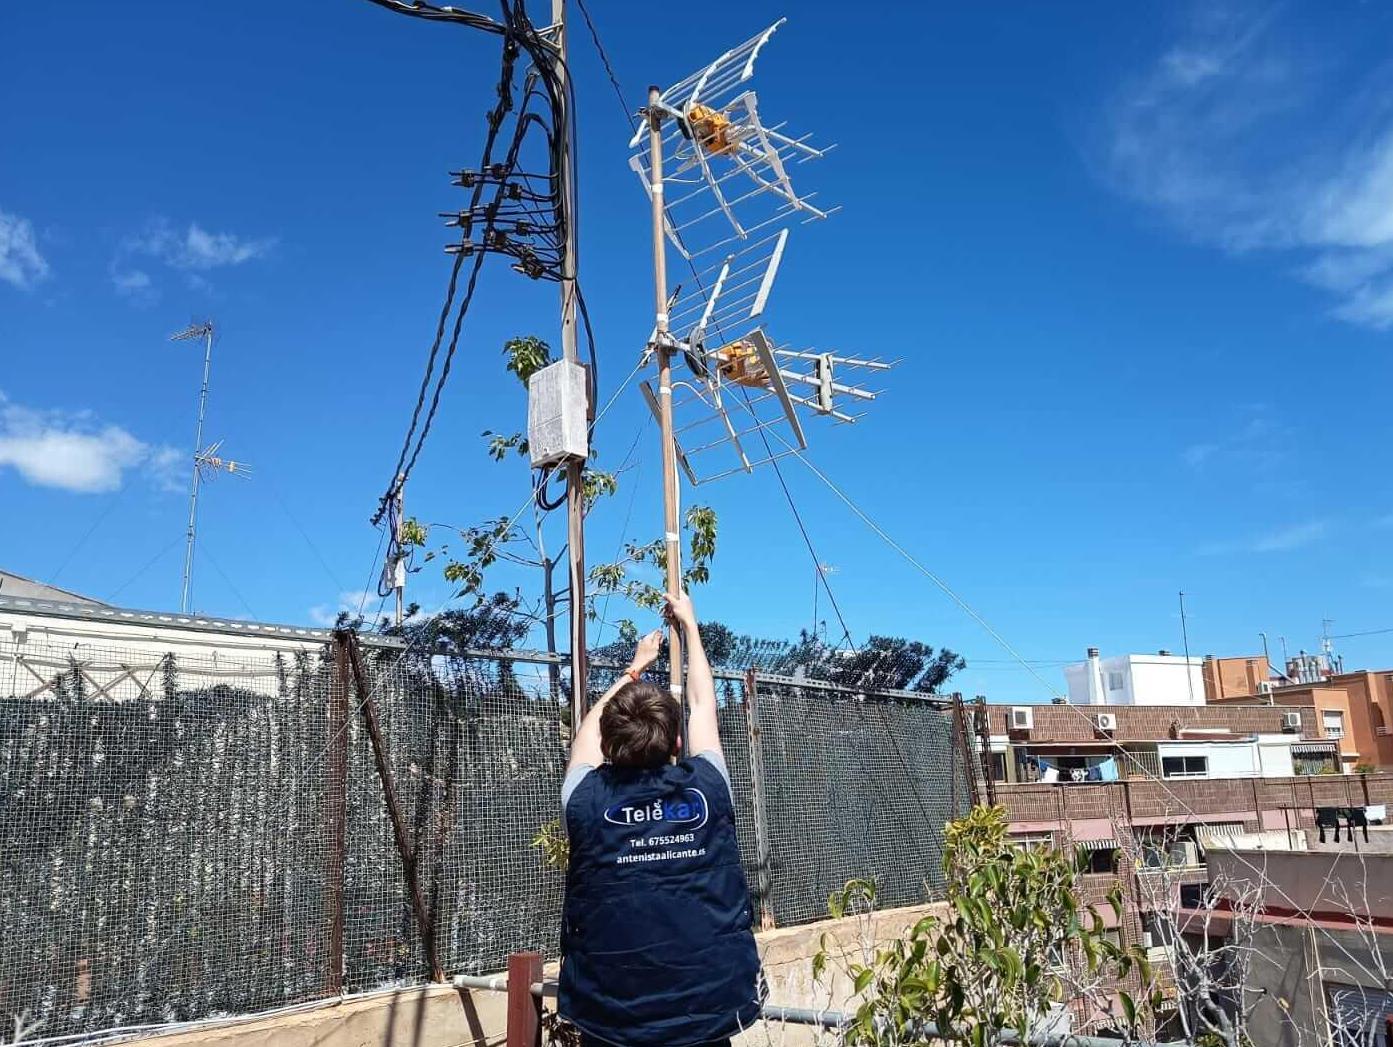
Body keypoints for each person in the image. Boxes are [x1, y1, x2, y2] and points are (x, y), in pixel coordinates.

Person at [557, 590, 764, 1047]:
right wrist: (690, 626)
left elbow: (586, 732)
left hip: (611, 1020)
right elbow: (703, 707)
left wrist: (635, 668)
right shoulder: (709, 788)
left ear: (608, 747)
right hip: (709, 1010)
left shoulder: (584, 799)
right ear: (677, 744)